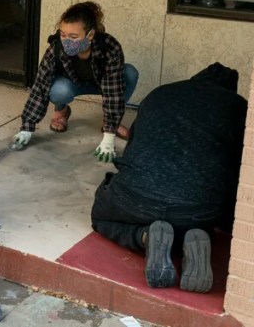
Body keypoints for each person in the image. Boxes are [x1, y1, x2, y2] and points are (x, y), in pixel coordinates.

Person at [90, 63, 247, 294]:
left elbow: (134, 143)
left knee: (100, 217)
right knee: (198, 215)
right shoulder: (238, 107)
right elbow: (240, 171)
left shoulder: (161, 93)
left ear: (194, 79)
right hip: (198, 208)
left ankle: (145, 237)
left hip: (137, 196)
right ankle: (194, 236)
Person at [11, 1, 139, 162]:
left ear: (90, 35)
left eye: (73, 37)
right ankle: (61, 111)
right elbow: (40, 86)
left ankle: (110, 122)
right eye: (63, 35)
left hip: (101, 84)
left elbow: (113, 91)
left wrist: (109, 137)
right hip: (70, 84)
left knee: (129, 73)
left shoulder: (109, 47)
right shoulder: (56, 48)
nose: (66, 41)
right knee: (59, 90)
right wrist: (27, 128)